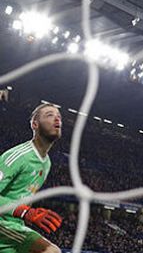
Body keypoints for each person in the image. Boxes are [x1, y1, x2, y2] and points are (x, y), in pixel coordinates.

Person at [0, 103, 63, 253]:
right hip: (3, 223)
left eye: (59, 116)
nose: (57, 119)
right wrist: (25, 212)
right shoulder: (18, 156)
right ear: (35, 124)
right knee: (51, 251)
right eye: (49, 115)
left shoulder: (46, 163)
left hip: (15, 224)